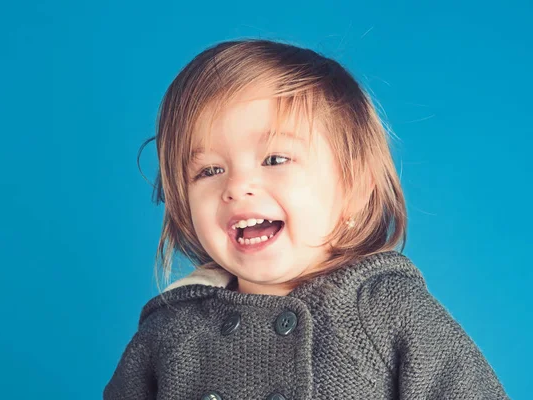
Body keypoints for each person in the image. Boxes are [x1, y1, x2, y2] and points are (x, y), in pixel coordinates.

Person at [103, 39, 509, 399]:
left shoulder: (386, 309)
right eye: (209, 170)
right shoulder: (170, 331)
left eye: (275, 159)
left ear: (353, 188)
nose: (237, 186)